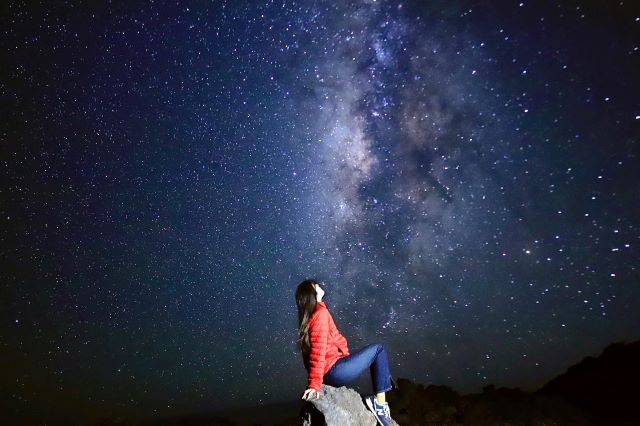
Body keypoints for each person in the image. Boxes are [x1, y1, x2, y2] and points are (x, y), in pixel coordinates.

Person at [295, 279, 398, 426]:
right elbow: (318, 350)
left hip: (332, 371)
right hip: (334, 371)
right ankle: (380, 405)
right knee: (379, 349)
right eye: (315, 285)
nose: (319, 285)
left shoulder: (315, 315)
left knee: (375, 351)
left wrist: (344, 355)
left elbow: (329, 343)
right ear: (312, 293)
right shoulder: (320, 313)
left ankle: (380, 405)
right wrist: (314, 383)